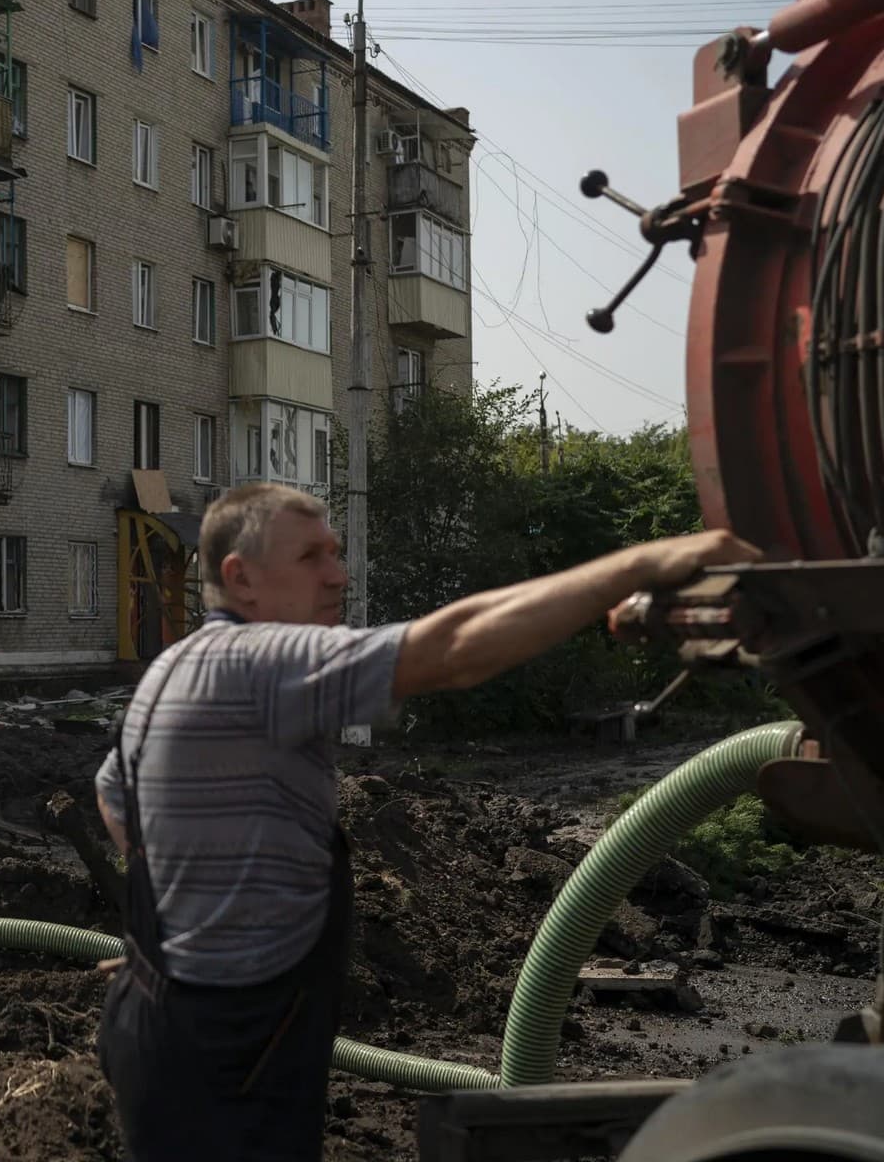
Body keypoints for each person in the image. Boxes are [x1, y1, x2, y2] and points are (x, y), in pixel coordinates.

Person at [93, 482, 757, 1161]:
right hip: (226, 1054)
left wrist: (174, 934)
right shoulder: (257, 664)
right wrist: (642, 563)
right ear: (242, 578)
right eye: (312, 557)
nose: (339, 574)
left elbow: (113, 790)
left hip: (171, 1020)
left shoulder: (177, 664)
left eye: (337, 553)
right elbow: (454, 648)